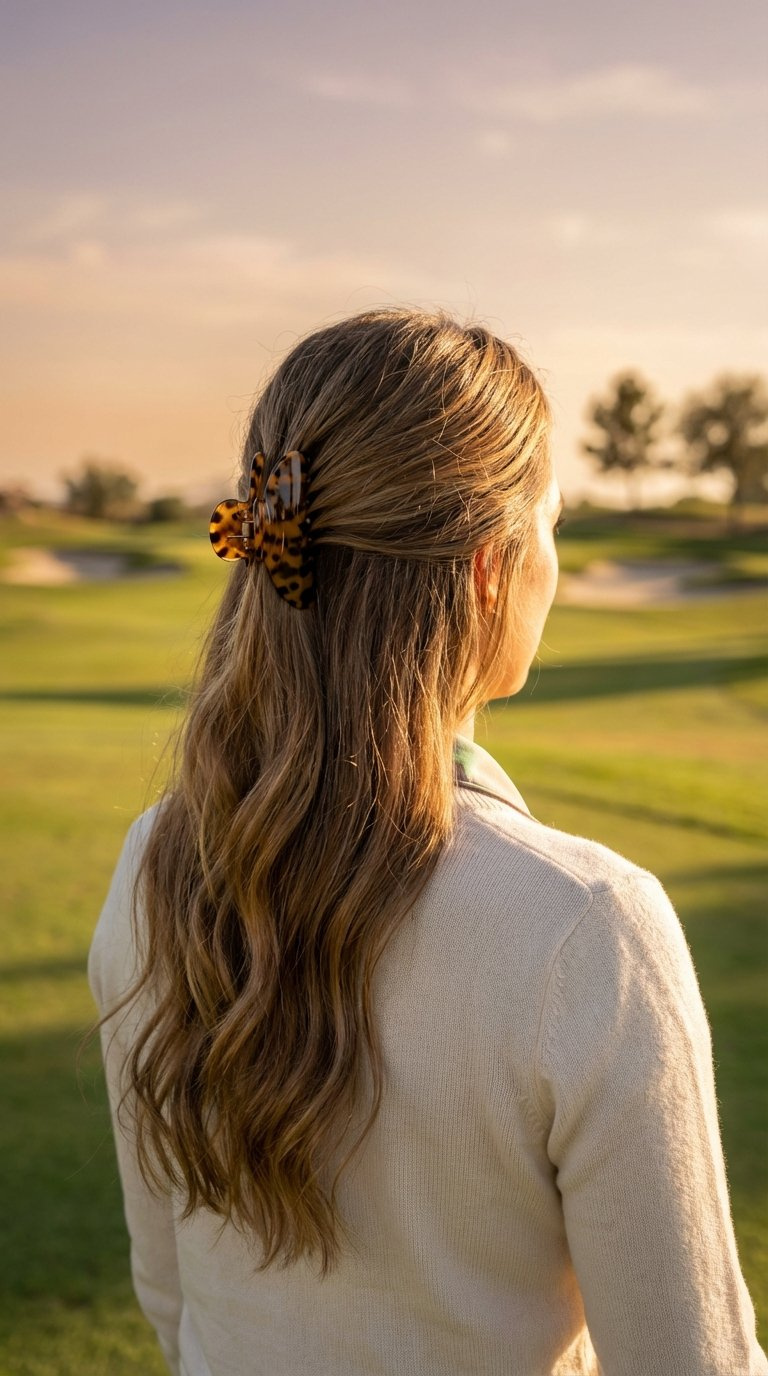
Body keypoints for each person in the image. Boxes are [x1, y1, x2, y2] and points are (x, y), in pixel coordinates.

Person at [89, 309, 766, 1376]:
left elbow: (171, 1300)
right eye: (553, 520)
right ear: (493, 566)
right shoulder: (586, 930)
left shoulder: (151, 862)